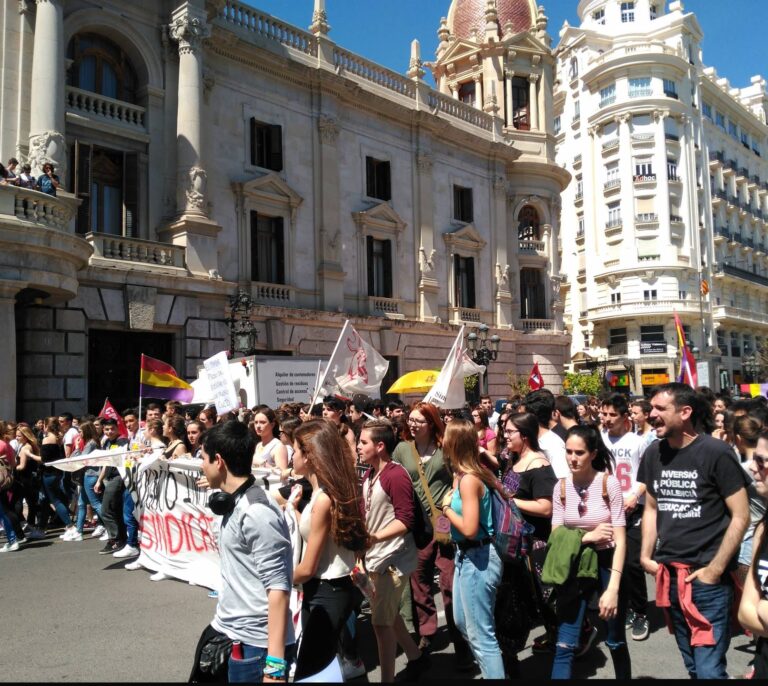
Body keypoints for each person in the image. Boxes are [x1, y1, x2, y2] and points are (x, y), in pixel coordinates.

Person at [639, 383, 751, 679]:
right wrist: (646, 555)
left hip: (707, 583)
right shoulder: (654, 453)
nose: (651, 414)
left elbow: (741, 515)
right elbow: (651, 507)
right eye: (651, 408)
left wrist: (714, 570)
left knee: (709, 671)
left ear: (685, 412)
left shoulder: (717, 452)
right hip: (670, 577)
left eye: (660, 409)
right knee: (693, 667)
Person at [193, 420, 296, 683]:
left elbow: (279, 589)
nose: (201, 465)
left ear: (219, 461)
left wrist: (274, 668)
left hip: (255, 648)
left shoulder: (256, 512)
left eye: (203, 458)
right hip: (227, 629)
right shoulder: (232, 501)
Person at [391, 402, 473, 670]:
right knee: (420, 582)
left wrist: (452, 495)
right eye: (410, 420)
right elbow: (394, 481)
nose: (413, 424)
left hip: (443, 520)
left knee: (449, 582)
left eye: (419, 421)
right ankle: (427, 635)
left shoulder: (444, 448)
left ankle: (461, 641)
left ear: (432, 423)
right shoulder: (402, 449)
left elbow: (458, 474)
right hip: (416, 526)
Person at [549, 425, 631, 680]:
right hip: (575, 566)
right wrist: (588, 536)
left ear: (593, 454)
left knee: (615, 641)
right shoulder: (560, 488)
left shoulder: (609, 484)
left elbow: (620, 538)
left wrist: (613, 588)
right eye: (569, 452)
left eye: (579, 453)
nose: (572, 458)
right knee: (564, 645)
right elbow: (555, 536)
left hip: (608, 564)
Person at [291, 419, 368, 681]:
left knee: (309, 671)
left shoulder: (323, 499)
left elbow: (308, 567)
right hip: (330, 590)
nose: (292, 456)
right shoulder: (324, 492)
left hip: (327, 590)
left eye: (295, 450)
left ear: (310, 456)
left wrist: (272, 578)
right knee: (322, 669)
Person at [358, 419, 427, 682]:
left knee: (380, 623)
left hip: (393, 560)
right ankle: (416, 657)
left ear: (380, 445)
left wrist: (374, 537)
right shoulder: (370, 472)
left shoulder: (396, 475)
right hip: (375, 558)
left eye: (363, 442)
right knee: (387, 614)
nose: (358, 447)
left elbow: (405, 520)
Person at [439, 419, 504, 678]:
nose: (441, 440)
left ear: (454, 442)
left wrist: (444, 509)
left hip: (478, 556)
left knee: (482, 636)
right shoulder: (461, 475)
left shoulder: (468, 480)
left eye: (445, 436)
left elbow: (468, 527)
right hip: (465, 555)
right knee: (463, 623)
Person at [498, 412, 557, 666]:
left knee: (544, 602)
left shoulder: (539, 465)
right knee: (517, 602)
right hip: (515, 543)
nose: (505, 435)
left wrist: (509, 499)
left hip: (535, 546)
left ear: (524, 435)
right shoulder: (515, 459)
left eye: (510, 431)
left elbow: (546, 507)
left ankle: (564, 647)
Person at [600, 393, 649, 641]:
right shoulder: (599, 440)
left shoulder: (638, 442)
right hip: (608, 509)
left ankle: (641, 612)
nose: (607, 419)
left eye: (612, 415)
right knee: (612, 561)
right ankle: (624, 606)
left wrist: (634, 495)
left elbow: (647, 476)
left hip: (633, 509)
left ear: (624, 416)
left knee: (631, 562)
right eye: (604, 414)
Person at [737, 431, 768, 678]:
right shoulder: (763, 528)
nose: (752, 468)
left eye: (761, 461)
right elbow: (745, 613)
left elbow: (755, 607)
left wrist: (763, 606)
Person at [94, 418, 129, 555]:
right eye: (106, 429)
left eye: (112, 429)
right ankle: (121, 538)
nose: (109, 432)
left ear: (117, 428)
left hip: (118, 477)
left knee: (106, 510)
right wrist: (99, 480)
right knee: (115, 510)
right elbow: (105, 463)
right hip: (109, 478)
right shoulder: (107, 442)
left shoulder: (122, 441)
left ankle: (114, 539)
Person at [522, 389, 569, 479]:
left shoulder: (553, 446)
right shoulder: (531, 441)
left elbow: (561, 481)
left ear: (531, 417)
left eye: (523, 415)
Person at [72, 421, 104, 541]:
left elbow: (80, 459)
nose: (79, 433)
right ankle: (79, 531)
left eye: (80, 431)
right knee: (81, 503)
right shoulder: (92, 442)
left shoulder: (90, 443)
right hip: (88, 475)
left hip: (90, 475)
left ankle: (113, 527)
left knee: (95, 504)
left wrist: (76, 448)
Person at [12, 425, 44, 540]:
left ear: (26, 436)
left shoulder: (26, 448)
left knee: (26, 504)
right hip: (28, 479)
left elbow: (22, 466)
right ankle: (31, 526)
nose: (16, 438)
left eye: (19, 436)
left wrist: (11, 467)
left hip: (25, 479)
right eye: (16, 436)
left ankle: (30, 526)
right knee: (31, 503)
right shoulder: (27, 446)